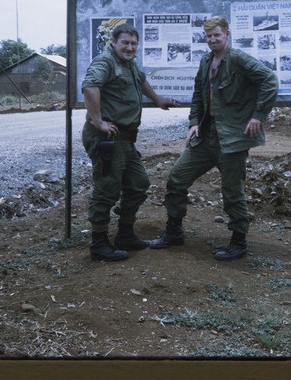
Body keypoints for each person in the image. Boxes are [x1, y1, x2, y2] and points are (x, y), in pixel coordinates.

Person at [150, 16, 279, 260]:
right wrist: (193, 122)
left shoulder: (238, 59)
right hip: (206, 136)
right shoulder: (206, 61)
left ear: (227, 35)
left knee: (233, 192)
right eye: (208, 36)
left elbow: (270, 80)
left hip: (232, 138)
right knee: (177, 178)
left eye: (216, 35)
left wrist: (258, 116)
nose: (212, 40)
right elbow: (198, 94)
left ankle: (238, 242)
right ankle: (174, 231)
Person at [81, 23, 179, 261]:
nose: (130, 47)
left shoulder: (129, 64)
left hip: (125, 139)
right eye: (125, 42)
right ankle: (99, 243)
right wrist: (98, 122)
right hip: (107, 138)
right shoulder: (105, 62)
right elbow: (90, 87)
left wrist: (157, 99)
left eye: (134, 43)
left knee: (138, 183)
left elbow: (141, 81)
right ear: (113, 42)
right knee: (107, 189)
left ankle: (125, 234)